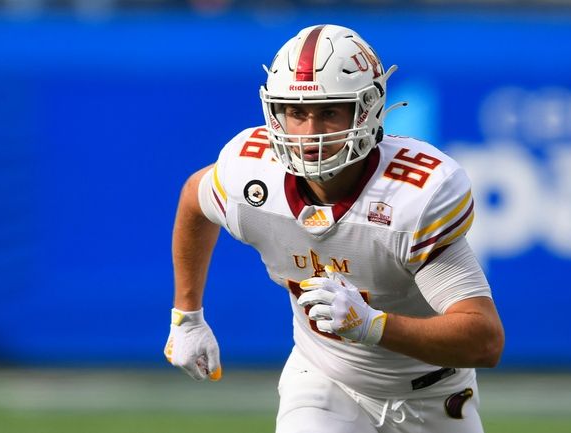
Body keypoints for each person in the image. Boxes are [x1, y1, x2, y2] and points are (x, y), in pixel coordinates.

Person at [164, 24, 505, 433]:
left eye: (329, 112)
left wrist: (372, 326)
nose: (310, 134)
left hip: (433, 395)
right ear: (275, 113)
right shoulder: (251, 176)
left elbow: (484, 340)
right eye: (296, 113)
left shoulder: (413, 198)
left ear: (368, 109)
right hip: (325, 380)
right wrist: (187, 316)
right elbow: (193, 199)